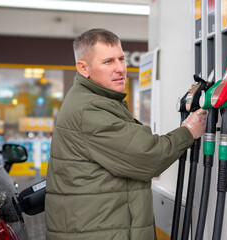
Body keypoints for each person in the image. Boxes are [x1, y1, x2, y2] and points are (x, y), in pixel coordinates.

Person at [45, 28, 207, 240]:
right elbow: (148, 155)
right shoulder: (89, 110)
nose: (120, 68)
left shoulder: (99, 100)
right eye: (108, 62)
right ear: (83, 68)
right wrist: (189, 131)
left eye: (121, 59)